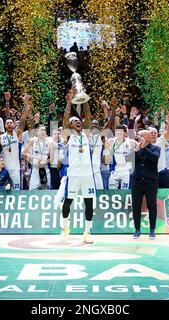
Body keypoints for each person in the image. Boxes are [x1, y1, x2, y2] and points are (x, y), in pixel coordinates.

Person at [58, 87, 96, 244]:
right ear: (70, 126)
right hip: (73, 174)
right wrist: (69, 101)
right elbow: (66, 118)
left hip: (87, 174)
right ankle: (65, 227)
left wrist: (84, 98)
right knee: (67, 203)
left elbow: (87, 116)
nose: (78, 122)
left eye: (78, 121)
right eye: (74, 122)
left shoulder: (86, 135)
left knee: (89, 204)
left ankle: (87, 232)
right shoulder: (68, 136)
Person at [131, 130, 160, 239]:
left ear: (147, 137)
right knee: (136, 206)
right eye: (138, 136)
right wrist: (135, 150)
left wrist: (144, 148)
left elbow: (154, 158)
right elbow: (127, 159)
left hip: (151, 182)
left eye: (141, 136)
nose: (138, 137)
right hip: (137, 182)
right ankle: (137, 229)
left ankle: (152, 229)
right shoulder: (136, 148)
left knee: (152, 205)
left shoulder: (156, 148)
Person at [0, 93, 30, 190]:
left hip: (16, 169)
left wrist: (25, 102)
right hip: (4, 169)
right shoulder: (1, 137)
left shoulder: (18, 133)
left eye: (11, 123)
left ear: (13, 125)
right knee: (4, 192)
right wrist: (7, 101)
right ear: (4, 125)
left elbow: (23, 118)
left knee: (16, 192)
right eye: (7, 123)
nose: (9, 124)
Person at [22, 125, 54, 190]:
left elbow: (52, 158)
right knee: (33, 190)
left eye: (44, 130)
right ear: (37, 132)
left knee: (46, 191)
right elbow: (24, 153)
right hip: (35, 169)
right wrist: (35, 157)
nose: (43, 132)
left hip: (45, 169)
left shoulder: (49, 142)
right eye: (41, 130)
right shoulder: (33, 140)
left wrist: (45, 162)